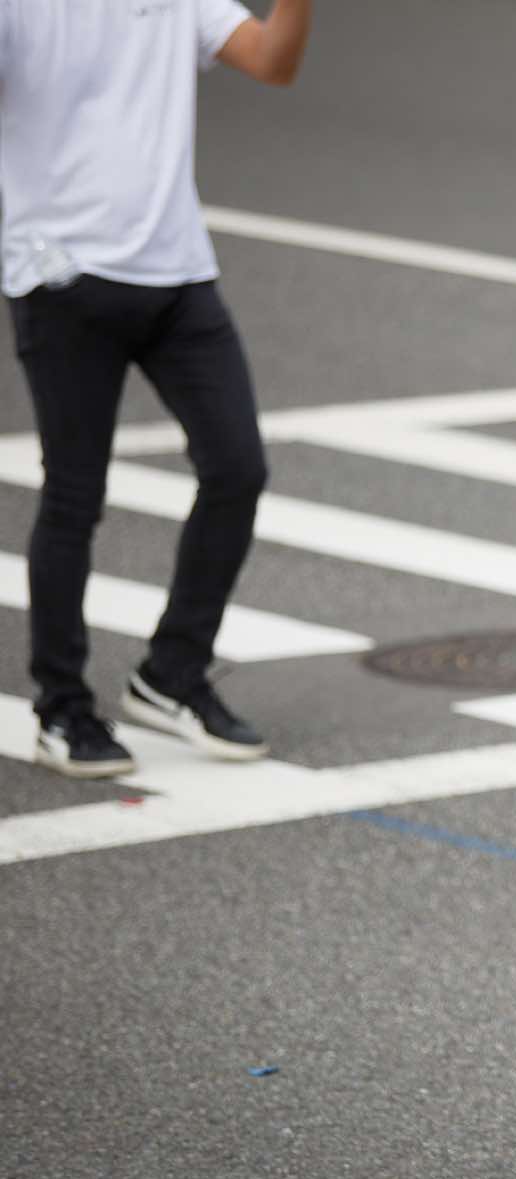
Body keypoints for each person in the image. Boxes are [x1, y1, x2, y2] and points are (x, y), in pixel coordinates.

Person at [3, 0, 312, 779]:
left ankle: (172, 672)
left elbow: (272, 59)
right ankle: (62, 707)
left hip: (178, 275)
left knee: (237, 468)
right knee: (74, 498)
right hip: (61, 276)